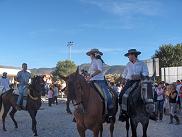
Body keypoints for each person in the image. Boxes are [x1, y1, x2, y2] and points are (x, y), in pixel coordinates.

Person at [118, 49, 155, 121]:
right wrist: (123, 79)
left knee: (150, 92)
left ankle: (151, 112)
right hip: (129, 82)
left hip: (140, 81)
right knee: (122, 95)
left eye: (129, 55)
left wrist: (138, 76)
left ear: (133, 55)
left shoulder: (142, 63)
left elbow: (146, 73)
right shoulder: (128, 64)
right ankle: (123, 112)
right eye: (128, 56)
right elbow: (124, 73)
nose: (128, 57)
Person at [86, 48, 113, 117]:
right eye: (89, 55)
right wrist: (86, 76)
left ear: (94, 54)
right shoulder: (92, 63)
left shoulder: (98, 61)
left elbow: (99, 70)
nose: (90, 56)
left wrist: (91, 76)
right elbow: (89, 73)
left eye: (90, 55)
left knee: (107, 95)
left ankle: (110, 111)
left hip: (99, 81)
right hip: (91, 81)